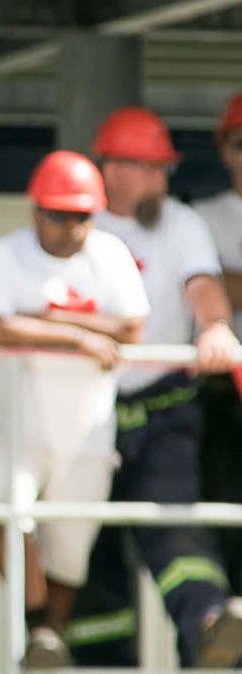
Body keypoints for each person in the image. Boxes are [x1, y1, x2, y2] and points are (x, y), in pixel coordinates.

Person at [69, 106, 242, 668]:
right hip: (83, 409)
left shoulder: (180, 223)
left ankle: (209, 629)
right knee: (87, 545)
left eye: (164, 169)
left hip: (165, 406)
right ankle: (93, 668)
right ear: (111, 168)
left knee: (176, 528)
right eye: (147, 167)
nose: (159, 181)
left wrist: (214, 327)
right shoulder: (80, 223)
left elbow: (202, 284)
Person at [0, 150, 149, 667]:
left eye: (81, 216)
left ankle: (49, 636)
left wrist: (37, 319)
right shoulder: (6, 256)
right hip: (16, 420)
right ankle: (37, 624)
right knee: (6, 516)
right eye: (59, 214)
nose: (70, 228)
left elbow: (132, 327)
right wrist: (76, 333)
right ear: (36, 212)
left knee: (72, 545)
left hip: (88, 427)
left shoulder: (111, 254)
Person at [191, 91, 242, 594]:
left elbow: (225, 284)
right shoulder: (202, 217)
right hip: (223, 393)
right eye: (240, 142)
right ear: (224, 148)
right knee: (225, 521)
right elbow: (206, 287)